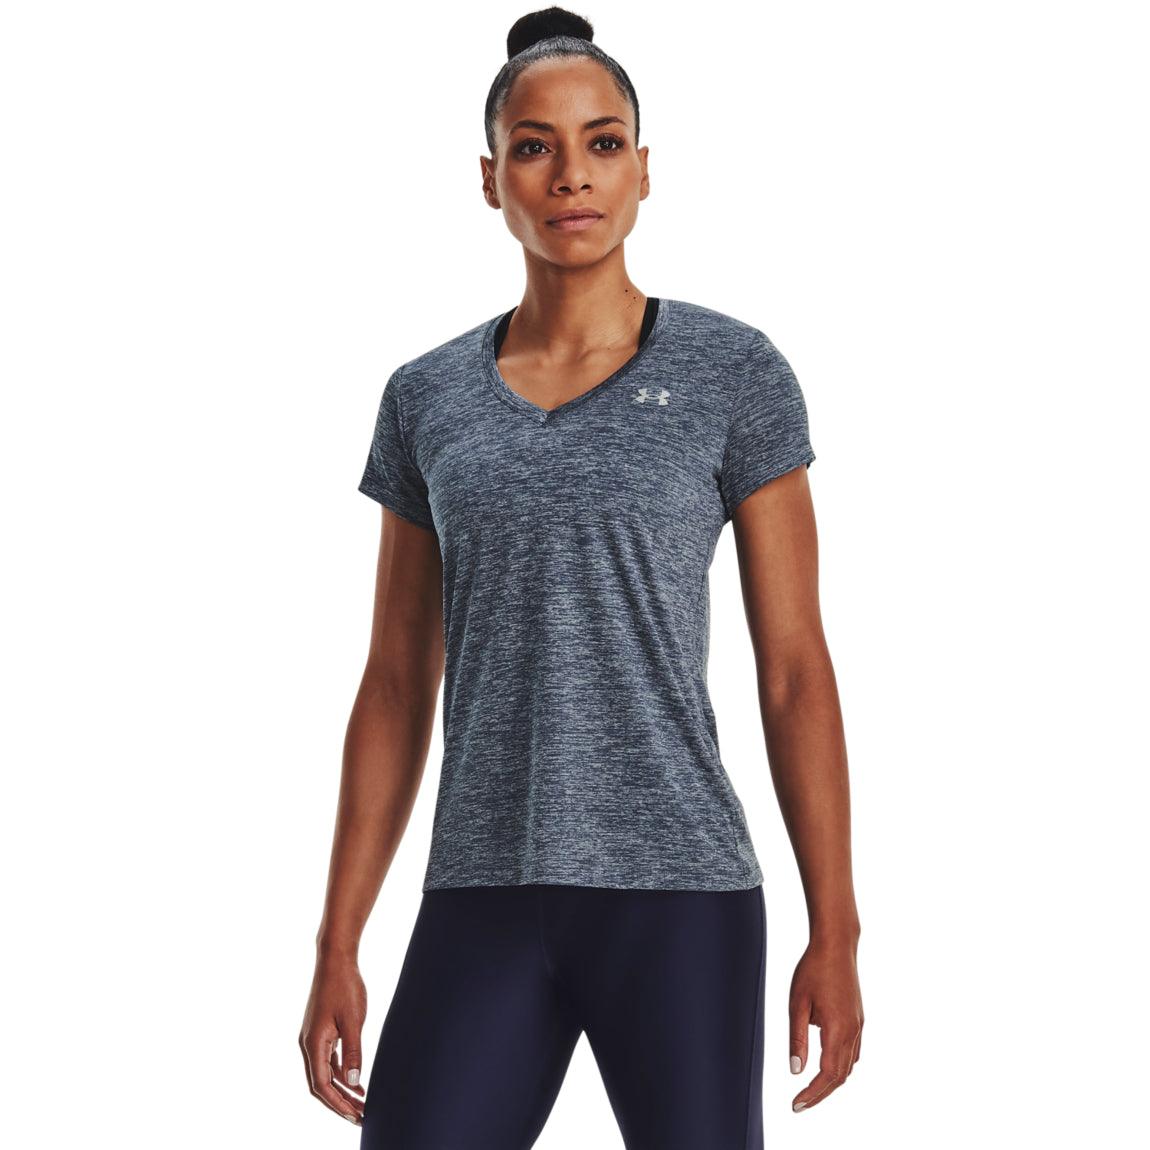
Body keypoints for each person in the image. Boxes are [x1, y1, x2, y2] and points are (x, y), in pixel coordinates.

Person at [299, 7, 863, 1147]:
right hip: (481, 893)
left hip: (683, 896)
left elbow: (795, 670)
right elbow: (396, 683)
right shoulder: (426, 397)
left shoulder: (735, 373)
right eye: (534, 147)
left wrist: (836, 928)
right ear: (489, 178)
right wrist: (337, 939)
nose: (572, 176)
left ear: (644, 169)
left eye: (602, 143)